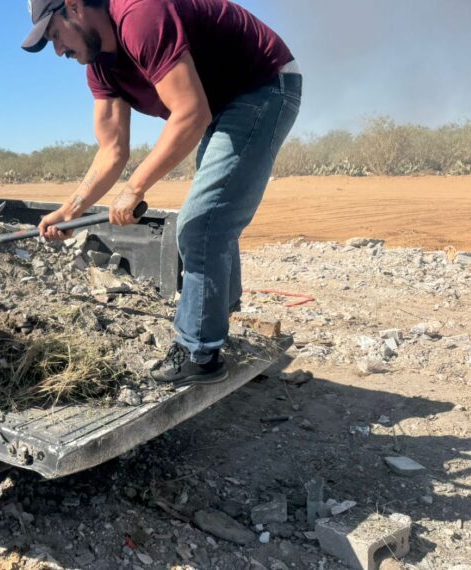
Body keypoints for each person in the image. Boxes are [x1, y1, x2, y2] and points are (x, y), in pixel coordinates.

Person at [24, 0, 301, 386]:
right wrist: (70, 210)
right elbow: (112, 150)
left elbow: (190, 113)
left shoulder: (140, 16)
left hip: (262, 84)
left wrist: (134, 188)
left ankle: (198, 353)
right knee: (212, 217)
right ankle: (220, 322)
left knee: (202, 223)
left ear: (74, 6)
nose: (58, 51)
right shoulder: (99, 67)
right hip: (219, 102)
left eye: (55, 34)